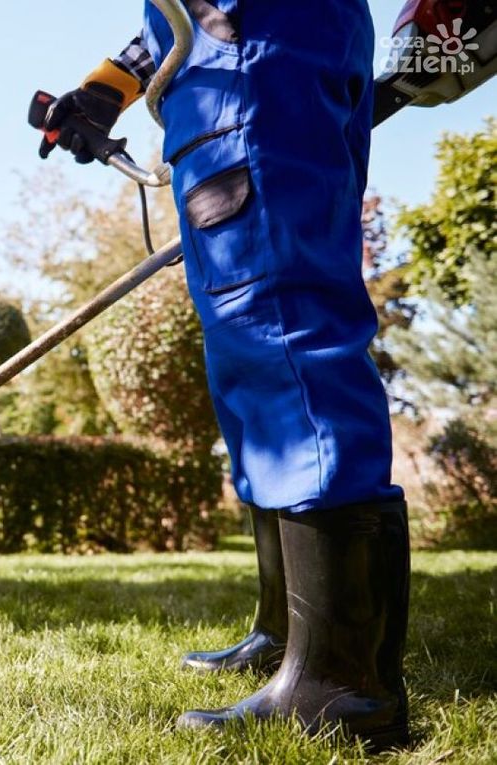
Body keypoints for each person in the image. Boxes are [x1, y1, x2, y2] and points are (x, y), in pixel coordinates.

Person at [39, 0, 411, 750]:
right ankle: (288, 635)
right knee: (249, 352)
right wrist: (108, 85)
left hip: (255, 51)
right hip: (232, 59)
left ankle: (342, 679)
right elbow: (173, 20)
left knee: (279, 324)